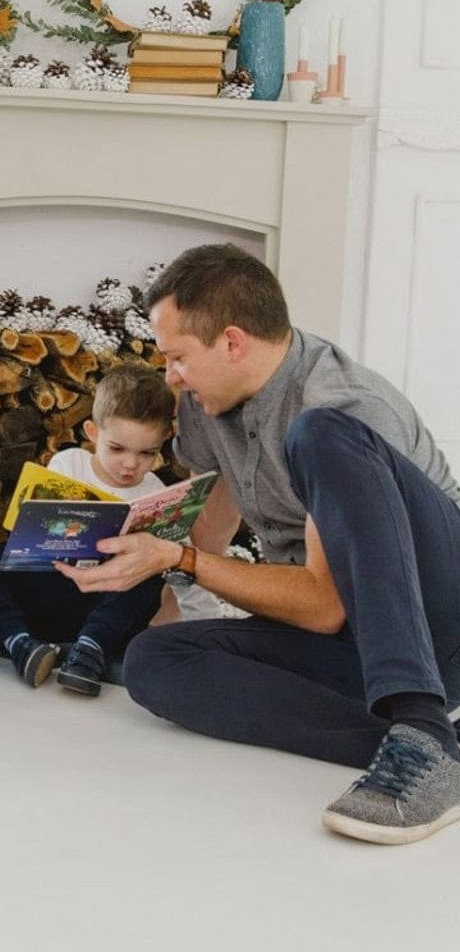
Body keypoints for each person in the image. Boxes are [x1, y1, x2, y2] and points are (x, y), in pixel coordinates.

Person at [61, 243, 460, 845]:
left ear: (232, 341)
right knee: (155, 661)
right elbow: (206, 537)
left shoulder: (340, 405)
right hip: (353, 639)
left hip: (435, 620)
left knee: (320, 436)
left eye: (178, 357)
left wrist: (184, 559)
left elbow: (324, 606)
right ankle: (420, 748)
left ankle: (422, 728)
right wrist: (138, 559)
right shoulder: (205, 402)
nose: (170, 375)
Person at [0, 362, 174, 697]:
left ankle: (90, 650)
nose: (130, 464)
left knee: (151, 575)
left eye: (147, 453)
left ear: (164, 441)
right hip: (50, 588)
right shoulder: (68, 464)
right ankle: (18, 642)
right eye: (117, 448)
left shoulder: (154, 490)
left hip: (103, 610)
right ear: (92, 432)